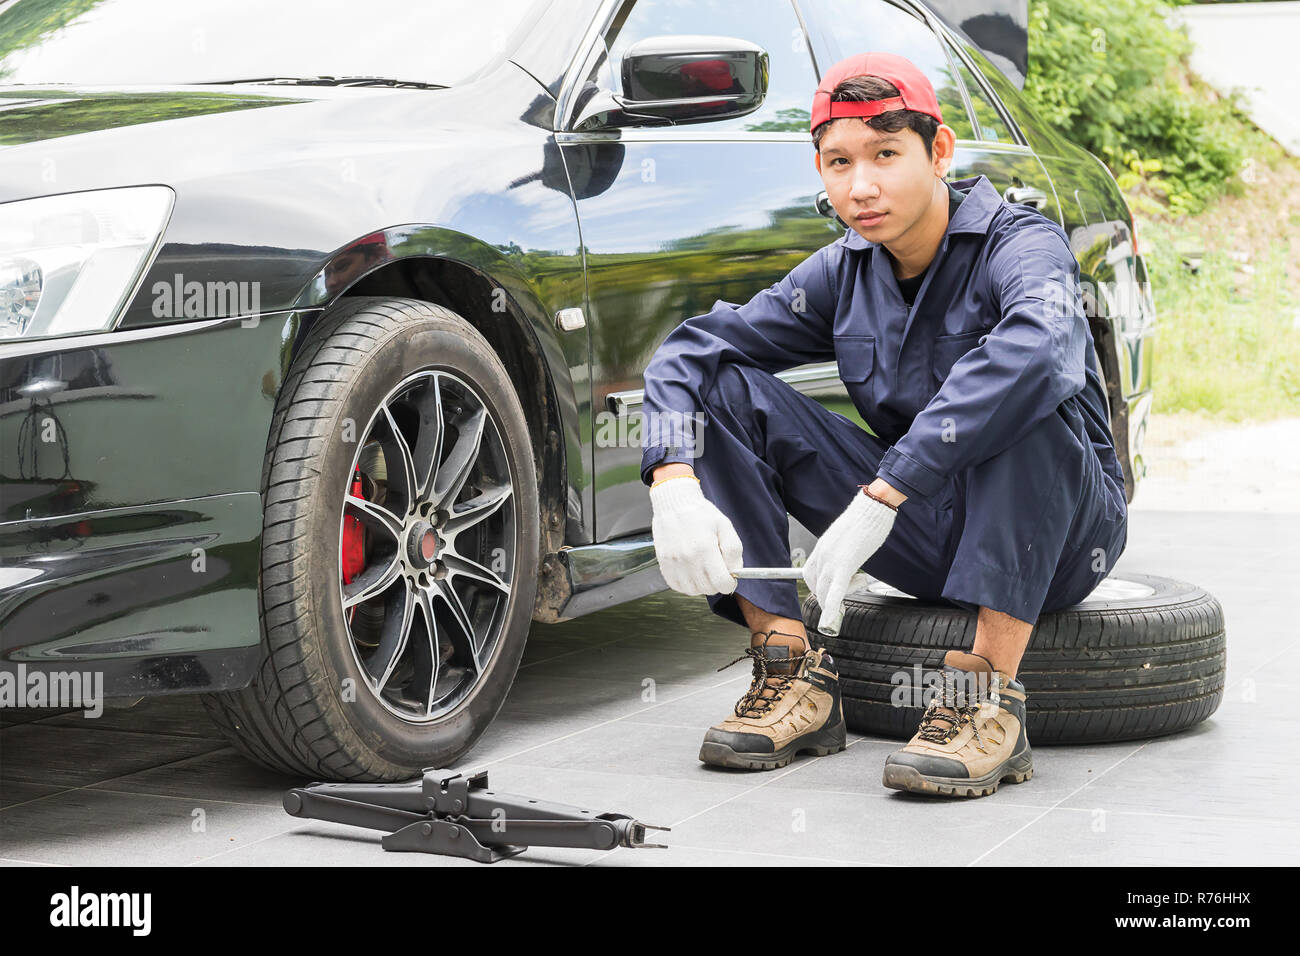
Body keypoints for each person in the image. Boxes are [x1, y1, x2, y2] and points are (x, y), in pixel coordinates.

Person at [639, 52, 1128, 797]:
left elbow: (1035, 354)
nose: (859, 186)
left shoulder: (1023, 245)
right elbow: (691, 347)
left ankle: (986, 697)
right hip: (924, 529)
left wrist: (887, 488)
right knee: (724, 387)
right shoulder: (842, 272)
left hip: (1060, 534)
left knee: (1021, 393)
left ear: (939, 152)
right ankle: (792, 672)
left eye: (886, 155)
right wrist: (672, 481)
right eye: (838, 162)